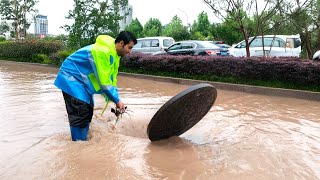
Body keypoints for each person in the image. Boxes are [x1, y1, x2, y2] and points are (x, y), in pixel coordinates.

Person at [54, 31, 137, 141]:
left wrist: (116, 99)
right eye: (129, 47)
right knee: (80, 113)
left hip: (81, 83)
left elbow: (111, 80)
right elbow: (104, 83)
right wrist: (117, 101)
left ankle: (82, 141)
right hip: (71, 79)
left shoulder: (114, 55)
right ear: (121, 43)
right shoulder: (103, 52)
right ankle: (78, 146)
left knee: (87, 112)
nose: (130, 52)